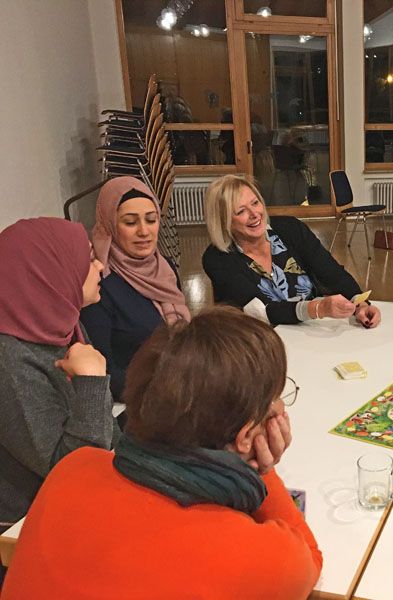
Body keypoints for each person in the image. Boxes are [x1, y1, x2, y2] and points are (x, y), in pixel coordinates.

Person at [2, 307, 321, 598]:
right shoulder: (261, 556)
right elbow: (309, 558)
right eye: (276, 397)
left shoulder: (74, 467)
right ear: (246, 435)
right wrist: (262, 470)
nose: (281, 407)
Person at [0, 218, 116, 526]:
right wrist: (91, 383)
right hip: (29, 525)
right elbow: (71, 470)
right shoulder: (9, 359)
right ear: (48, 273)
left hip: (78, 502)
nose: (100, 266)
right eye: (88, 259)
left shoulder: (64, 325)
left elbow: (106, 432)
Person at [202, 175, 380, 327]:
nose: (254, 214)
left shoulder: (291, 229)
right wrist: (317, 308)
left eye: (255, 203)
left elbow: (332, 272)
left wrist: (360, 302)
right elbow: (260, 312)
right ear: (224, 221)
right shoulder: (217, 259)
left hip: (311, 329)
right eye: (241, 211)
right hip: (265, 339)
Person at [81, 176, 190, 401]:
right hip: (140, 400)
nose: (144, 231)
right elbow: (102, 370)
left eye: (151, 220)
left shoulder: (165, 268)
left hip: (181, 383)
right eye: (130, 222)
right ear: (110, 225)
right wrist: (164, 394)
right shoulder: (99, 285)